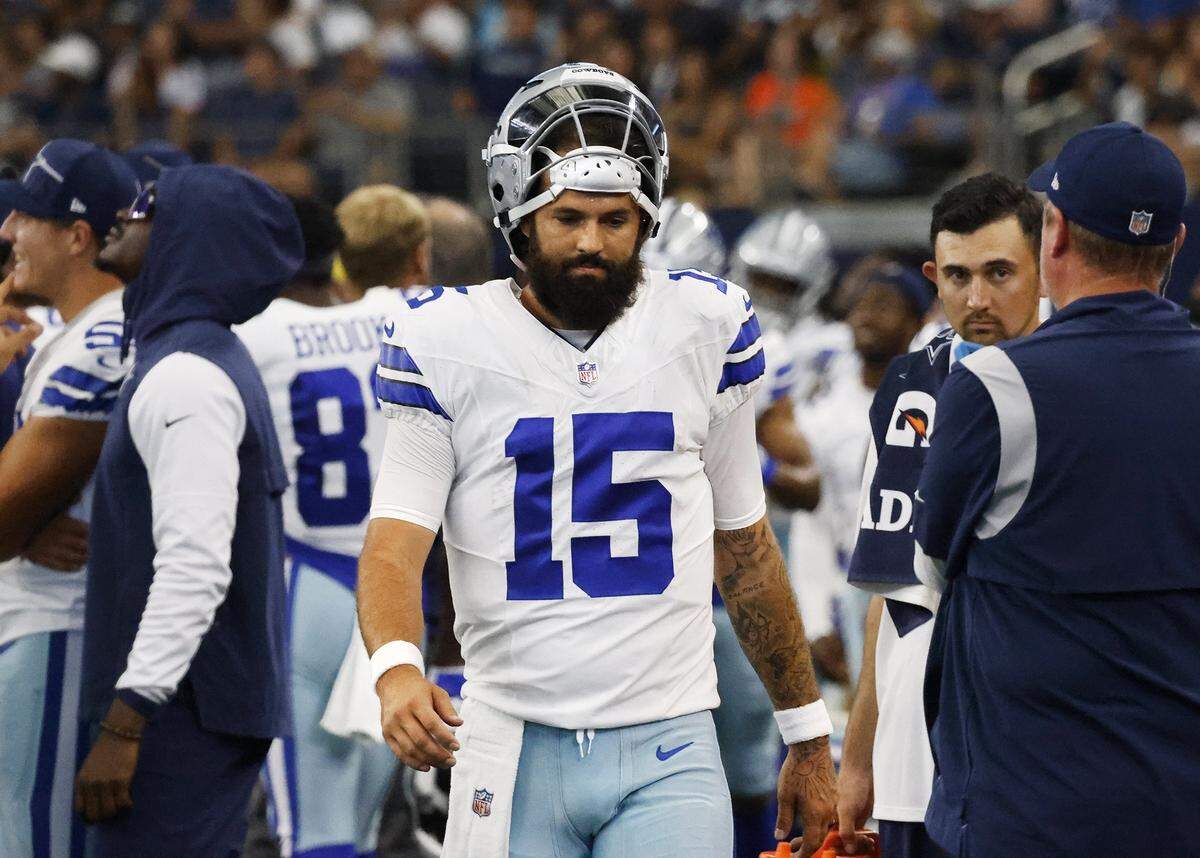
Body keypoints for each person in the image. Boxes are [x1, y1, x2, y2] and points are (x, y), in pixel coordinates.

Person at [358, 63, 837, 858]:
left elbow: (745, 548)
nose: (592, 243)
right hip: (511, 737)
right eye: (570, 217)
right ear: (519, 217)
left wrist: (809, 733)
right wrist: (399, 668)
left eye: (616, 220)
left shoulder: (704, 323)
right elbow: (395, 544)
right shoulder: (444, 339)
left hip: (671, 741)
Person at [914, 122, 1199, 856]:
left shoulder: (994, 383)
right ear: (1175, 243)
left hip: (1029, 807)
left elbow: (930, 564)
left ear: (1056, 234)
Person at [76, 165, 302, 856]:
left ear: (186, 234)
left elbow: (195, 567)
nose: (124, 213)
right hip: (190, 704)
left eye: (146, 205)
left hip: (178, 713)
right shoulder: (190, 357)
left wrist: (125, 722)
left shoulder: (187, 376)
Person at [836, 173, 1043, 858]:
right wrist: (860, 757)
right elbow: (888, 594)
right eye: (958, 276)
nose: (978, 300)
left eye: (1000, 273)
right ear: (933, 275)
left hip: (1036, 758)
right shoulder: (908, 387)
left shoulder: (1076, 385)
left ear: (1044, 263)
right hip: (909, 762)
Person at [237, 193, 424, 858]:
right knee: (369, 835)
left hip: (303, 584)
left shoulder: (249, 338)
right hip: (398, 598)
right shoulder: (399, 315)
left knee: (310, 837)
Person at [646, 195, 822, 857]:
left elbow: (805, 482)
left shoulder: (740, 354)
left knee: (747, 768)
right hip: (649, 595)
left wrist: (740, 462)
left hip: (727, 594)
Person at [0, 139, 138, 858]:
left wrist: (16, 529)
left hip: (60, 626)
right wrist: (25, 528)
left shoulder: (102, 340)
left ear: (78, 236)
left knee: (33, 840)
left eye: (25, 216)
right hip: (45, 619)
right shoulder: (76, 335)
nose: (6, 232)